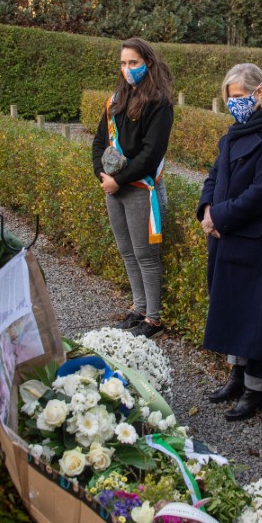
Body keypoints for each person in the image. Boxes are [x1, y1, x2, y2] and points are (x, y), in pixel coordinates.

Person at [198, 64, 262, 421]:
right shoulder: (237, 129)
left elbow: (261, 193)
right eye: (230, 98)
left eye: (239, 97)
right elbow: (214, 173)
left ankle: (256, 388)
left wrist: (220, 217)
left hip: (254, 237)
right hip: (224, 233)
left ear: (259, 93)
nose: (234, 104)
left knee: (255, 313)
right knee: (228, 305)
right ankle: (235, 377)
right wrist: (207, 208)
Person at [91, 37, 175, 338]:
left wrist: (118, 179)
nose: (128, 69)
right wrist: (101, 175)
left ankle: (153, 318)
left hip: (140, 188)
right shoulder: (116, 99)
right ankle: (138, 309)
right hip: (115, 188)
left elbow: (150, 154)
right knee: (127, 252)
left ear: (148, 63)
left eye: (134, 63)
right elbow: (100, 141)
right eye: (124, 63)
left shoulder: (159, 104)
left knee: (145, 255)